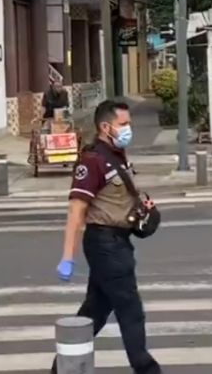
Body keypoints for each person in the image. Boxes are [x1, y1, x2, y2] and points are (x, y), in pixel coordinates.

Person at [52, 100, 161, 374]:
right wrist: (67, 256)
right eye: (123, 124)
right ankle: (147, 369)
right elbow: (77, 210)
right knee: (130, 310)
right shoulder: (93, 160)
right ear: (105, 126)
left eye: (128, 124)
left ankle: (61, 368)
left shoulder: (116, 155)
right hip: (106, 245)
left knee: (95, 311)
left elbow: (119, 198)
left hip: (117, 242)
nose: (128, 130)